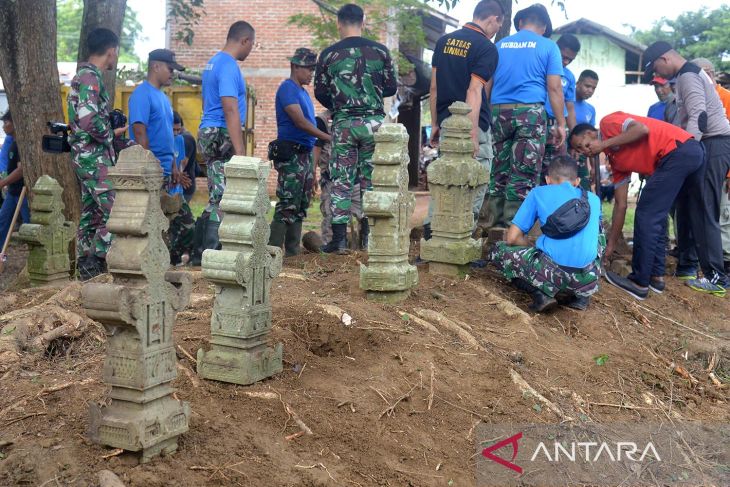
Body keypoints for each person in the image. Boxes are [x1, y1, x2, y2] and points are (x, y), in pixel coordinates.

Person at [570, 115, 716, 299]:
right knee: (656, 214)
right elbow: (621, 206)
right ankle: (656, 276)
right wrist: (611, 245)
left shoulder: (608, 123)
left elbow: (641, 129)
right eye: (579, 151)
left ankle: (639, 281)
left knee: (647, 214)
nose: (584, 151)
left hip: (681, 149)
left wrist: (604, 144)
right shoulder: (617, 162)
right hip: (682, 156)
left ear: (592, 133)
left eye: (582, 145)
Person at [642, 41, 730, 292]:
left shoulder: (688, 75)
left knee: (705, 211)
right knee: (696, 207)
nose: (658, 76)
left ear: (664, 58)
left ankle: (716, 277)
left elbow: (699, 118)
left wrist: (684, 149)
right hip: (709, 144)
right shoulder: (687, 74)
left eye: (657, 69)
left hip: (713, 144)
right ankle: (707, 271)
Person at [314, 3, 397, 254]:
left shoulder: (328, 55)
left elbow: (320, 91)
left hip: (344, 124)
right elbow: (391, 88)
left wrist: (341, 105)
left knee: (341, 179)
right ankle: (369, 238)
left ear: (339, 23)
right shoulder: (380, 51)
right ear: (363, 22)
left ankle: (338, 240)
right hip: (373, 123)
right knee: (371, 178)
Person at [425, 0, 504, 237]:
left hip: (447, 122)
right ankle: (462, 238)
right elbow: (474, 91)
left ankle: (432, 236)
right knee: (476, 179)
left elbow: (434, 88)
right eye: (497, 26)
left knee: (445, 181)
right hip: (473, 125)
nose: (495, 32)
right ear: (493, 19)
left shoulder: (444, 41)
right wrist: (471, 135)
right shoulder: (486, 48)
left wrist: (436, 123)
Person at [487, 155, 602, 312]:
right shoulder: (593, 200)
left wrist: (529, 245)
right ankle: (581, 297)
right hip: (588, 278)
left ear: (548, 179)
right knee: (599, 233)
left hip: (551, 274)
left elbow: (512, 237)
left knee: (498, 251)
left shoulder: (538, 193)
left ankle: (540, 294)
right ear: (577, 182)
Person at [486, 3, 565, 229]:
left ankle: (494, 223)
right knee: (524, 169)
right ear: (543, 27)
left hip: (498, 111)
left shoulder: (499, 45)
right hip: (530, 113)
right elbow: (554, 88)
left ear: (520, 23)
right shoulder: (549, 47)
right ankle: (515, 227)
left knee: (499, 166)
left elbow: (487, 85)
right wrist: (560, 123)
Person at [194, 20, 255, 265]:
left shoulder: (213, 62)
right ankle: (211, 252)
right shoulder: (229, 66)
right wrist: (240, 151)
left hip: (209, 129)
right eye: (252, 44)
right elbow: (230, 108)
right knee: (222, 196)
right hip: (221, 132)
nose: (251, 50)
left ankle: (201, 253)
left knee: (215, 193)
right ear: (244, 41)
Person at [67, 28, 126, 280]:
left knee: (93, 212)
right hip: (93, 156)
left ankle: (84, 268)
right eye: (116, 53)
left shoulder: (83, 75)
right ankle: (96, 259)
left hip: (85, 155)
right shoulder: (91, 77)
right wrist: (111, 133)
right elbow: (88, 118)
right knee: (116, 209)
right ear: (111, 51)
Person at [129, 49, 194, 265]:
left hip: (168, 171)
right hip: (151, 171)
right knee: (152, 224)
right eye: (170, 69)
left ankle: (166, 263)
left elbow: (168, 136)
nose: (172, 74)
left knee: (179, 222)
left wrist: (175, 168)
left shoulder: (164, 98)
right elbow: (140, 133)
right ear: (156, 66)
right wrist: (151, 168)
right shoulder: (142, 94)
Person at [269, 48, 331, 256]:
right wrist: (327, 136)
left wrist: (312, 169)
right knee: (288, 203)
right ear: (295, 67)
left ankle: (293, 251)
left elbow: (308, 129)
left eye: (313, 68)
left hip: (303, 155)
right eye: (308, 68)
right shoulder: (287, 89)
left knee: (301, 203)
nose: (311, 73)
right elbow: (300, 122)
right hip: (291, 154)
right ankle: (272, 251)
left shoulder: (303, 93)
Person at [692, 58, 730, 274]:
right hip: (705, 162)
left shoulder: (725, 97)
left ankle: (723, 266)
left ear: (708, 73)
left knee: (722, 216)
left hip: (723, 167)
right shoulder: (700, 96)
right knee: (707, 212)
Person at [315, 109, 365, 247]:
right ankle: (331, 250)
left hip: (356, 179)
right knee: (331, 216)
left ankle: (365, 248)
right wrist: (312, 172)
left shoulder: (359, 116)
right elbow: (317, 147)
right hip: (332, 179)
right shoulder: (323, 120)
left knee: (365, 215)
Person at [0, 112, 30, 247]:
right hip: (12, 192)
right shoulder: (12, 142)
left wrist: (3, 182)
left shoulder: (22, 145)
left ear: (15, 123)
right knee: (2, 221)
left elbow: (21, 170)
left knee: (30, 226)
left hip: (23, 192)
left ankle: (35, 258)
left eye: (6, 123)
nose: (3, 127)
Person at [173, 111, 199, 204]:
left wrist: (176, 175)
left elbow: (182, 164)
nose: (175, 133)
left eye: (178, 130)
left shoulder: (185, 139)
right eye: (173, 130)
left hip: (183, 185)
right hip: (177, 184)